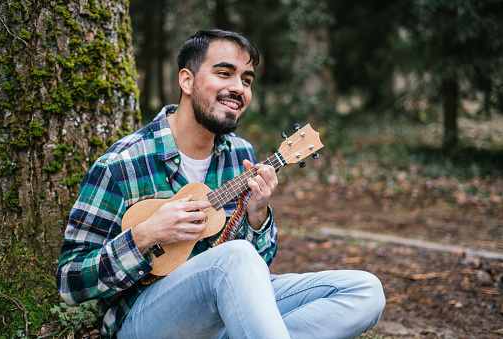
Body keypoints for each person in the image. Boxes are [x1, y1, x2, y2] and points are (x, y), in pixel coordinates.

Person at [56, 29, 385, 339]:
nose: (240, 88)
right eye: (224, 73)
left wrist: (257, 216)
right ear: (187, 80)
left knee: (364, 290)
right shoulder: (123, 163)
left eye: (246, 79)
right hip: (145, 316)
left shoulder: (239, 154)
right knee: (235, 255)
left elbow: (254, 268)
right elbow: (70, 283)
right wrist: (146, 235)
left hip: (224, 313)